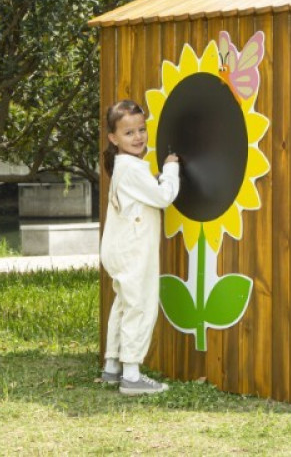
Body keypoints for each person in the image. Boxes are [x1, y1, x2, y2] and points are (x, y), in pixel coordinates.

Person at [99, 99, 180, 395]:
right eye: (129, 133)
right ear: (113, 138)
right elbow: (163, 197)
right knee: (140, 305)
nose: (138, 137)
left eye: (141, 130)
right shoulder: (131, 168)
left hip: (119, 248)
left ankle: (112, 366)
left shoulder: (126, 166)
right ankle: (131, 373)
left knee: (123, 305)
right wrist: (170, 170)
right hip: (132, 249)